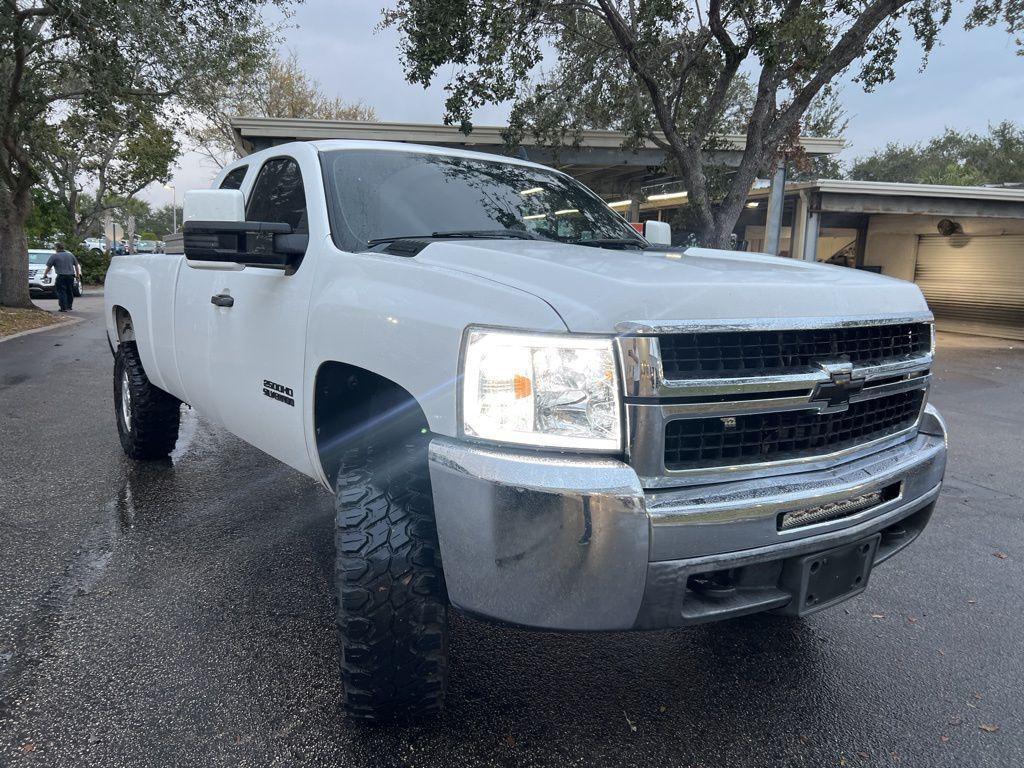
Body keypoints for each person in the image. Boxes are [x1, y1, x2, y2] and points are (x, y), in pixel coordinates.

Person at [43, 243, 82, 312]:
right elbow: (76, 265)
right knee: (69, 291)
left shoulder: (54, 256)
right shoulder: (70, 255)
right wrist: (77, 275)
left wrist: (45, 274)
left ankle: (63, 307)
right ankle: (69, 306)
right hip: (70, 276)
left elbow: (49, 267)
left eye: (55, 248)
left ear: (57, 248)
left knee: (61, 291)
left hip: (61, 276)